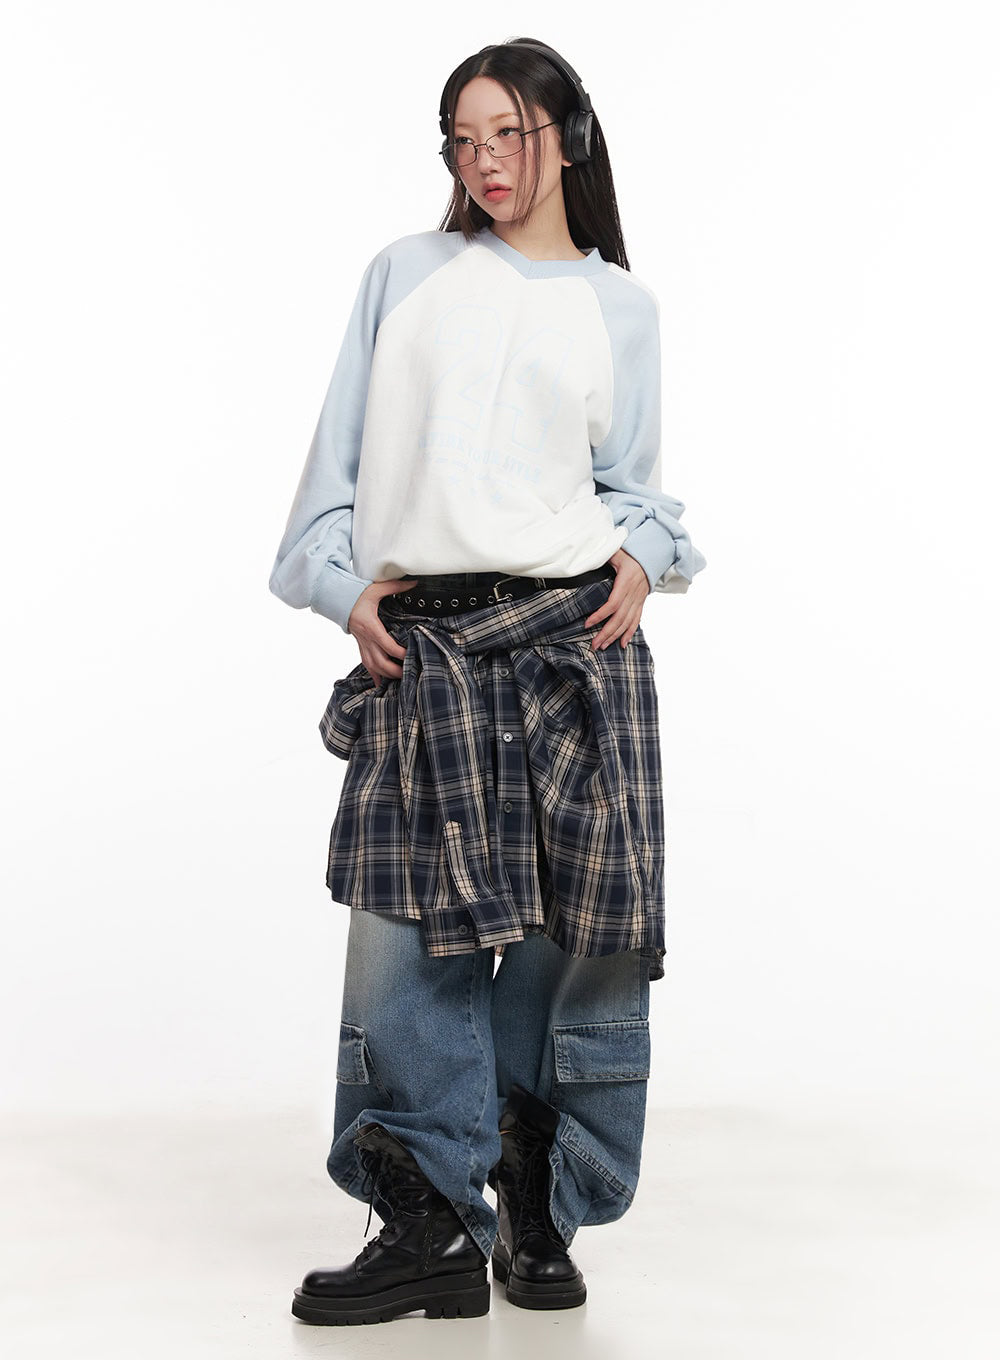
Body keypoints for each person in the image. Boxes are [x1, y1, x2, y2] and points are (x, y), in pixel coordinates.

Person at [268, 37, 707, 1327]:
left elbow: (634, 488)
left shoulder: (622, 307)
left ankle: (533, 1204)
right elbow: (332, 478)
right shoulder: (404, 276)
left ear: (567, 135)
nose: (485, 162)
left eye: (508, 133)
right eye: (462, 140)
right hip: (431, 650)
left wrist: (646, 554)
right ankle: (427, 1227)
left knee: (575, 946)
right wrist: (344, 589)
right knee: (405, 944)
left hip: (576, 644)